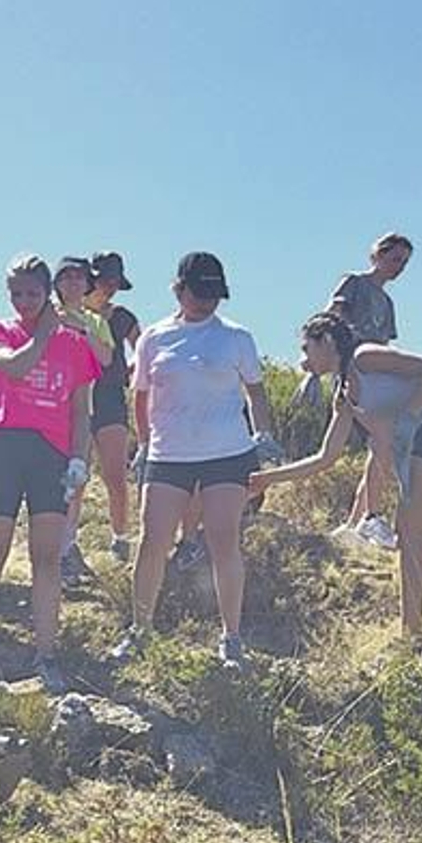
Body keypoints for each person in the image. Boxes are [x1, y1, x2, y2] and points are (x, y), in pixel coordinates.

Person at [250, 312, 422, 644]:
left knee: (408, 533)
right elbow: (325, 458)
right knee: (409, 538)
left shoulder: (366, 357)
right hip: (421, 444)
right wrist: (267, 479)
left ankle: (414, 636)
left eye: (307, 349)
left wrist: (408, 418)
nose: (303, 360)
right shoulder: (345, 393)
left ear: (328, 342)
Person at [111, 253, 276, 669]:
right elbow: (142, 396)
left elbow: (255, 391)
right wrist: (145, 446)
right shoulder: (154, 338)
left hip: (227, 453)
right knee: (153, 542)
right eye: (199, 293)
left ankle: (231, 638)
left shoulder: (236, 338)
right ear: (179, 289)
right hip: (169, 454)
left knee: (224, 542)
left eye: (214, 294)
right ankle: (141, 630)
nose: (207, 302)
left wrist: (264, 437)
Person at [0, 256, 101, 698]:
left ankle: (46, 655)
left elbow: (80, 411)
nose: (24, 302)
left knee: (47, 558)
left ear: (48, 293)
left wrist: (80, 460)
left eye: (33, 294)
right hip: (4, 451)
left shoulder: (76, 346)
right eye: (16, 294)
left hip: (51, 456)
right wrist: (44, 330)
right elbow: (14, 367)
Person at [322, 232, 414, 549]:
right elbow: (330, 320)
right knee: (375, 447)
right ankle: (367, 519)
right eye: (394, 259)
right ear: (377, 255)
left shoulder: (387, 302)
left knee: (380, 449)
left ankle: (356, 524)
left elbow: (385, 345)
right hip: (353, 374)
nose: (398, 267)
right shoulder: (354, 284)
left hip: (377, 379)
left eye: (403, 262)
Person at [63, 250, 141, 569]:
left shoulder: (122, 317)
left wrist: (131, 375)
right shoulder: (68, 313)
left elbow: (143, 350)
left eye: (115, 283)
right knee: (75, 474)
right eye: (106, 281)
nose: (109, 288)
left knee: (114, 474)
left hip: (109, 396)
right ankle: (68, 545)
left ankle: (120, 538)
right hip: (76, 396)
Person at [49, 256, 115, 585]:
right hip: (45, 407)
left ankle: (66, 549)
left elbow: (106, 357)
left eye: (79, 277)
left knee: (75, 483)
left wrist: (84, 330)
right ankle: (47, 551)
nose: (74, 282)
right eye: (67, 276)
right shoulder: (44, 314)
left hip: (82, 409)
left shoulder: (95, 320)